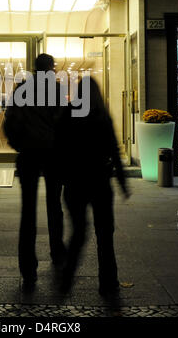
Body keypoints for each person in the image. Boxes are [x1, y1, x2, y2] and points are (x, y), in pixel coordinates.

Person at [60, 76, 130, 294]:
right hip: (99, 181)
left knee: (79, 233)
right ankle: (108, 283)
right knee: (104, 234)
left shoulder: (69, 113)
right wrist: (122, 181)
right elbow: (114, 151)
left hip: (74, 182)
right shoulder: (102, 116)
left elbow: (59, 146)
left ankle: (66, 279)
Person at [4, 53, 67, 289]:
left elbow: (10, 122)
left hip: (29, 154)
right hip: (54, 155)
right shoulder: (58, 90)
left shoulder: (22, 89)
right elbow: (65, 123)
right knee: (54, 205)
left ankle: (28, 268)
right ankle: (57, 251)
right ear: (51, 68)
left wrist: (20, 145)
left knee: (28, 212)